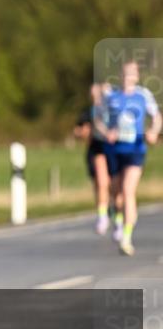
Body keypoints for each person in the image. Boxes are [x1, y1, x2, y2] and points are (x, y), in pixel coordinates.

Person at [98, 60, 161, 256]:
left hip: (136, 150)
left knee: (127, 191)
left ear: (137, 76)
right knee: (116, 194)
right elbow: (98, 119)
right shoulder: (112, 96)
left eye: (132, 73)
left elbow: (157, 117)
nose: (128, 77)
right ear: (121, 75)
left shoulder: (143, 96)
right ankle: (117, 219)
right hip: (116, 150)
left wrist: (153, 131)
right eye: (126, 73)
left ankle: (126, 238)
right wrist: (107, 131)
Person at [74, 82, 113, 235]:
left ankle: (112, 210)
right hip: (96, 149)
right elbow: (77, 130)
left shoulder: (111, 110)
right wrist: (84, 132)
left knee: (112, 184)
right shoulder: (88, 112)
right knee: (100, 183)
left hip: (112, 149)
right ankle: (102, 214)